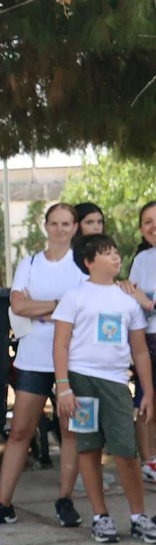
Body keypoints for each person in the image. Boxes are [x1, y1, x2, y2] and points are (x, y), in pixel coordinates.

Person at [53, 234, 156, 544]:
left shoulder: (128, 300)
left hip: (115, 383)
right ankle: (101, 516)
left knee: (125, 450)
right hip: (81, 380)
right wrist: (63, 387)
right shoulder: (74, 296)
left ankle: (138, 516)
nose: (115, 257)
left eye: (115, 251)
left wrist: (148, 391)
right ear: (88, 262)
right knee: (88, 446)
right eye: (106, 253)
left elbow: (139, 352)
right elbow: (61, 344)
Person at [0, 202, 87, 527]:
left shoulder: (82, 265)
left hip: (73, 359)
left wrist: (44, 310)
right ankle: (2, 502)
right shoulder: (30, 263)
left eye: (67, 223)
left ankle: (65, 499)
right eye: (55, 223)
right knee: (20, 430)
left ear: (75, 227)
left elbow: (85, 307)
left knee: (71, 432)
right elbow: (17, 305)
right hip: (33, 357)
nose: (60, 229)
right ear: (45, 226)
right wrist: (61, 305)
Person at [126, 201, 156, 478]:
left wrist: (147, 302)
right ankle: (149, 462)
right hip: (147, 340)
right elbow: (131, 298)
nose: (153, 226)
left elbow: (142, 300)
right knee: (147, 399)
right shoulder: (141, 260)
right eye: (147, 221)